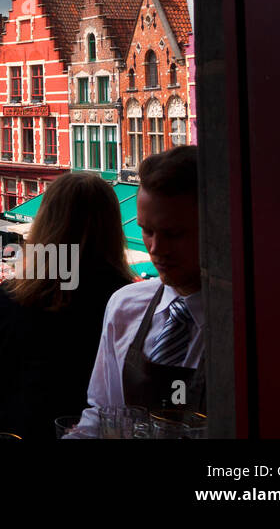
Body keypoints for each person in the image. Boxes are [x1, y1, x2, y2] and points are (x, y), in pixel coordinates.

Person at [0, 172, 137, 440]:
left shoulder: (14, 295)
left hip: (26, 426)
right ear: (112, 227)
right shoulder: (126, 298)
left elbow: (4, 376)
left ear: (45, 223)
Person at [72, 146, 204, 435]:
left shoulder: (248, 319)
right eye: (147, 231)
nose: (156, 249)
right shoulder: (124, 305)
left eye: (174, 234)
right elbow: (102, 411)